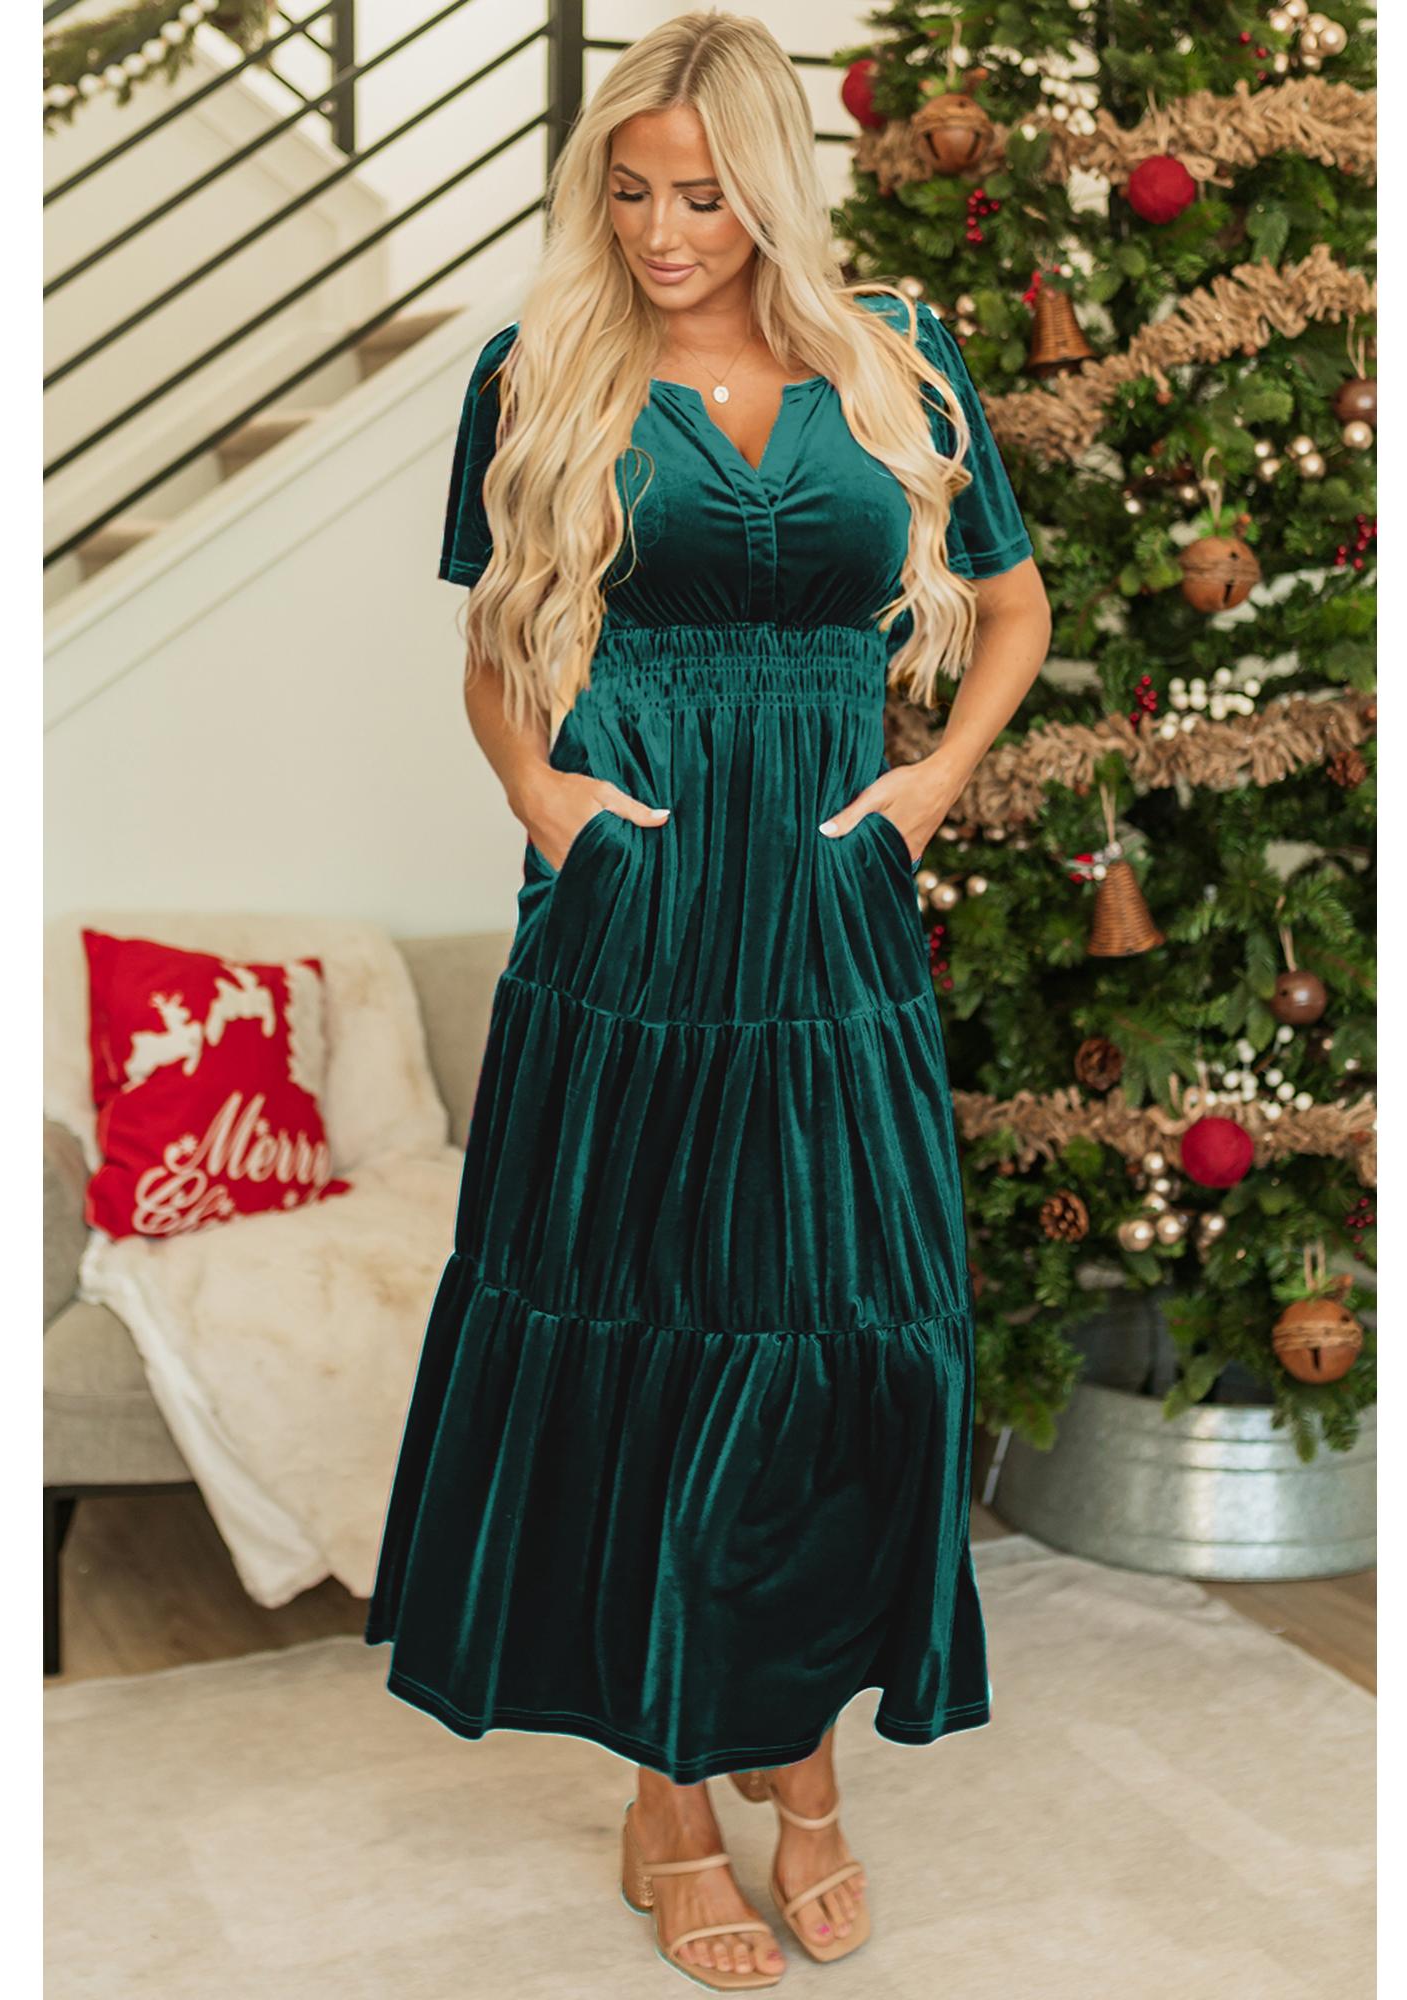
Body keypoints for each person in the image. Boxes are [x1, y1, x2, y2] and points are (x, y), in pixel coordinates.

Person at [365, 9, 1051, 1990]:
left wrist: (929, 785)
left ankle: (799, 1765)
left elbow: (1011, 606)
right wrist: (543, 796)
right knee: (643, 1337)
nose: (662, 236)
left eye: (702, 199)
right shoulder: (539, 373)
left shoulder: (896, 359)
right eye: (629, 195)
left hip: (828, 925)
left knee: (838, 1340)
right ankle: (670, 1803)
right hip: (634, 926)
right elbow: (496, 646)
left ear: (769, 195)